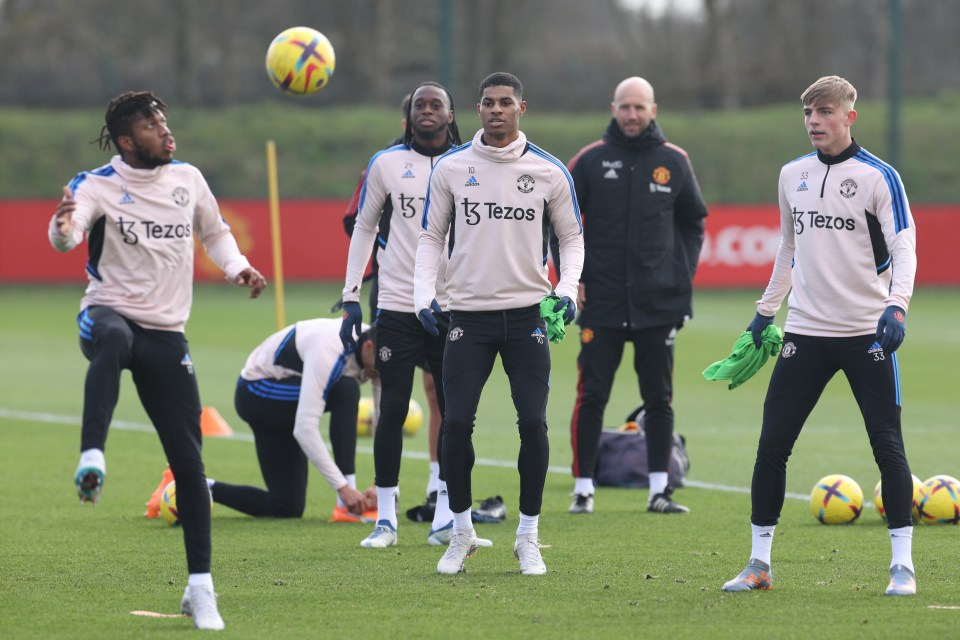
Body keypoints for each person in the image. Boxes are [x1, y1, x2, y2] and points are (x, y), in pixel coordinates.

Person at [48, 91, 267, 630]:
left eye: (163, 120)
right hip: (107, 315)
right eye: (150, 125)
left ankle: (200, 588)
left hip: (168, 334)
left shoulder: (187, 180)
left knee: (190, 466)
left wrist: (237, 266)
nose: (164, 130)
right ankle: (92, 457)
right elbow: (68, 237)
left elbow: (214, 232)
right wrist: (62, 228)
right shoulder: (96, 184)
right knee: (115, 338)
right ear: (126, 140)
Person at [721, 76, 918, 596]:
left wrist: (896, 307)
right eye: (808, 111)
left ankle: (902, 565)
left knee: (887, 445)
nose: (813, 120)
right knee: (772, 446)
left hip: (865, 334)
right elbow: (787, 247)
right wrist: (764, 315)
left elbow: (903, 247)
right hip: (805, 332)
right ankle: (758, 564)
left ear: (849, 116)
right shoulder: (792, 175)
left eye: (824, 111)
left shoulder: (879, 177)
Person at [414, 72, 584, 575]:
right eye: (487, 102)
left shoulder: (549, 171)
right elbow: (430, 237)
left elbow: (572, 238)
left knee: (532, 424)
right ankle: (461, 533)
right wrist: (426, 296)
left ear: (521, 109)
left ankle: (527, 537)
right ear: (478, 108)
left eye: (505, 102)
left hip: (528, 318)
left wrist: (567, 290)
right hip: (467, 317)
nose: (496, 110)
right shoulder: (451, 167)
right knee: (457, 424)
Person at [565, 76, 707, 516]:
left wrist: (681, 276)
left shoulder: (674, 161)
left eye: (639, 107)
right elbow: (561, 222)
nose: (631, 115)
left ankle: (659, 491)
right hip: (601, 302)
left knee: (659, 399)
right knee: (592, 397)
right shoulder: (589, 160)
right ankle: (584, 489)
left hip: (657, 303)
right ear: (613, 108)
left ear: (653, 110)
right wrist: (573, 278)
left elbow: (693, 223)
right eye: (624, 107)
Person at [340, 81, 468, 549]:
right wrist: (352, 295)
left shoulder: (470, 164)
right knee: (391, 407)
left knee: (455, 412)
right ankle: (387, 520)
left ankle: (446, 516)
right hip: (395, 302)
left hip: (455, 304)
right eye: (420, 105)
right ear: (409, 116)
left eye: (437, 104)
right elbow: (363, 228)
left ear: (451, 115)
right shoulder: (386, 164)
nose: (427, 110)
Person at [202, 319, 379, 520]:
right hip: (256, 394)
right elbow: (305, 428)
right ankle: (345, 505)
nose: (381, 373)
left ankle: (196, 487)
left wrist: (380, 485)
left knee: (286, 506)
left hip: (286, 400)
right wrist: (344, 488)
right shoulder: (330, 350)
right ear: (368, 346)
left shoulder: (379, 352)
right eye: (379, 366)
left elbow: (384, 418)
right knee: (345, 389)